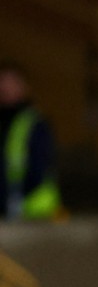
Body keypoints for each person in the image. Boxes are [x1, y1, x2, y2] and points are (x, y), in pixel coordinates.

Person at [0, 62, 61, 221]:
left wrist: (17, 198)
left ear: (23, 86)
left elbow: (40, 165)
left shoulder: (35, 123)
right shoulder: (5, 122)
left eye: (11, 83)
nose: (5, 89)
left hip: (34, 209)